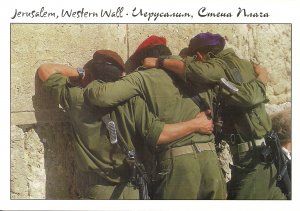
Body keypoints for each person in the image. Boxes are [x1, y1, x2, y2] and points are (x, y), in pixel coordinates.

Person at [37, 50, 213, 200]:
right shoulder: (133, 101)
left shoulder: (77, 98)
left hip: (96, 191)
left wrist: (83, 73)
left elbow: (45, 70)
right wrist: (196, 124)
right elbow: (159, 135)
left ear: (90, 74)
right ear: (120, 76)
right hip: (132, 190)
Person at [142, 32, 287, 199]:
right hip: (257, 154)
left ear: (199, 55)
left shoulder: (218, 66)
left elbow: (199, 72)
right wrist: (261, 76)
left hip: (253, 158)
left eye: (195, 59)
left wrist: (160, 62)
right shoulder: (244, 65)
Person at [84, 36, 227, 200]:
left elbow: (102, 96)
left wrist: (88, 80)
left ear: (146, 60)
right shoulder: (196, 71)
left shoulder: (143, 77)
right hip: (211, 161)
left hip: (179, 165)